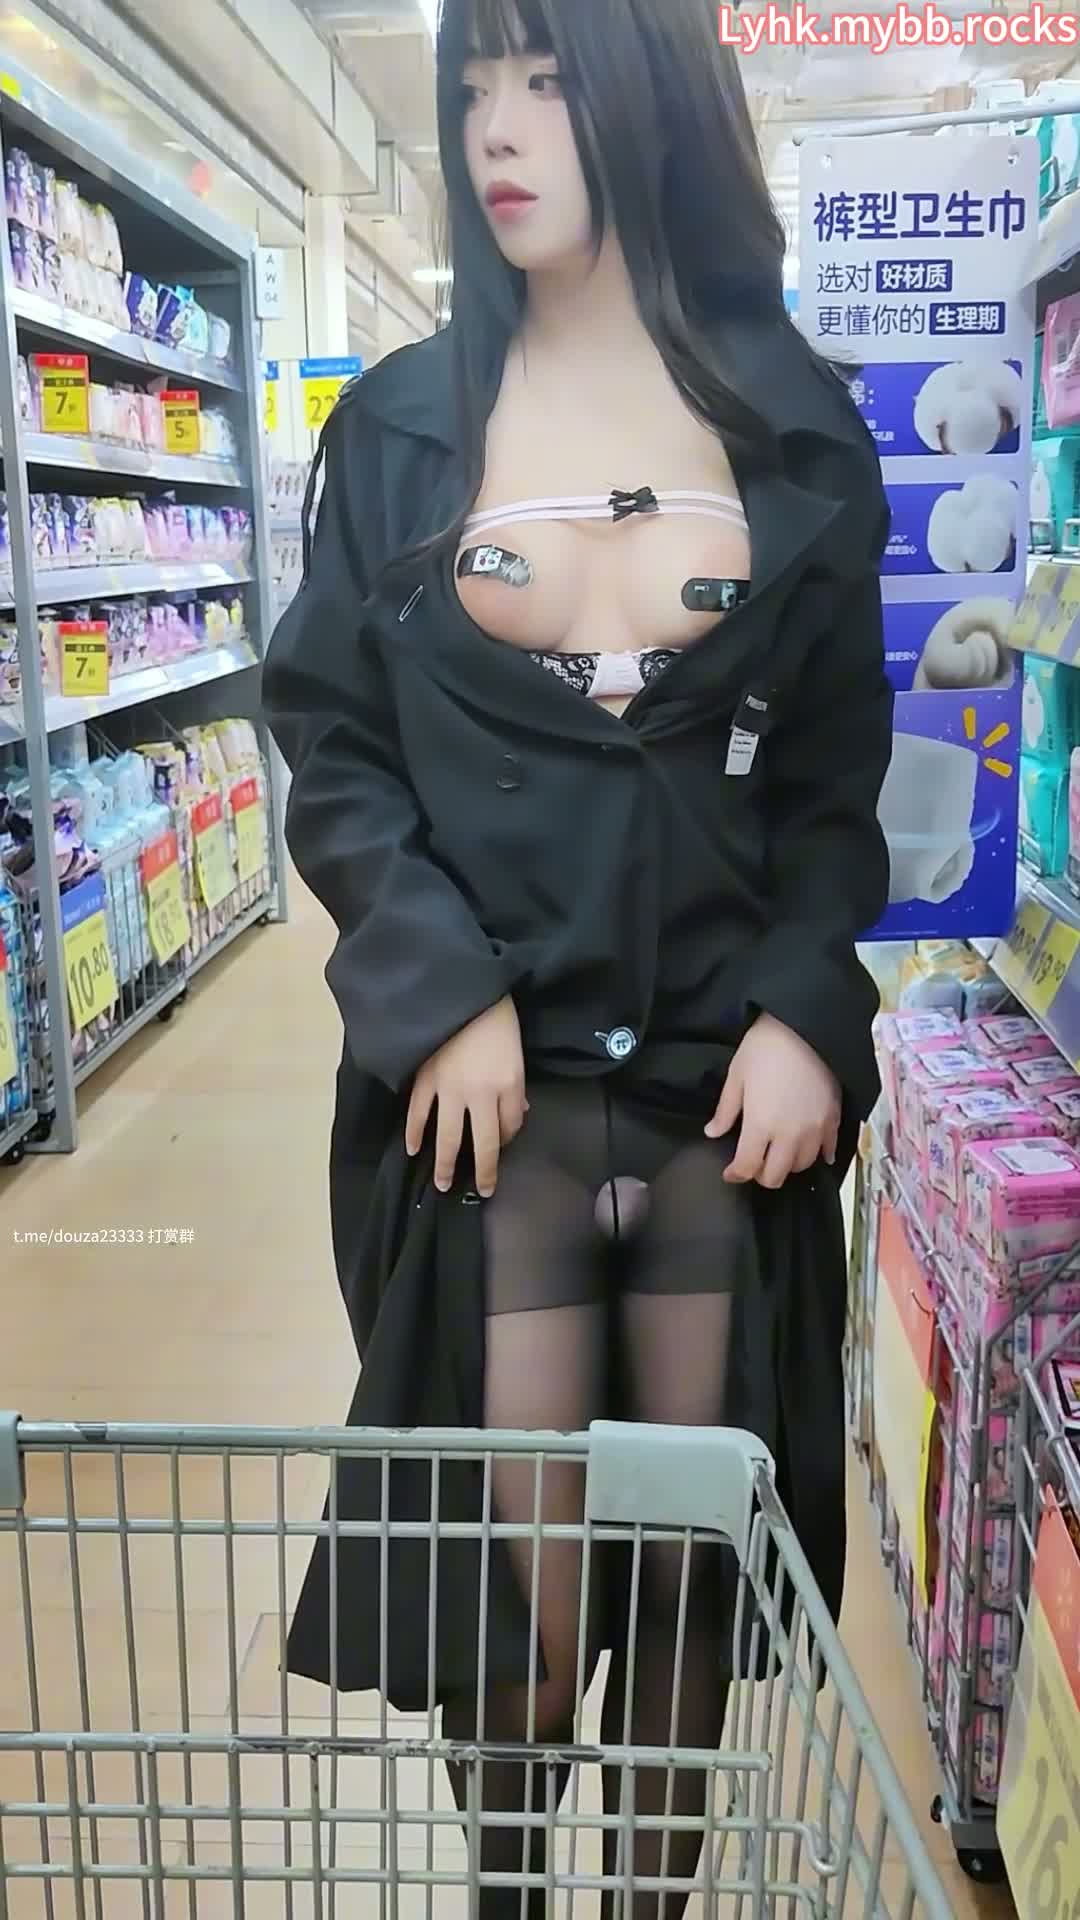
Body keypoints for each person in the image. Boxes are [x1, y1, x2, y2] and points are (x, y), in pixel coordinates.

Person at [262, 0, 893, 1910]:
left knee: (687, 1585)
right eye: (475, 84)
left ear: (651, 102)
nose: (498, 128)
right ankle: (513, 1897)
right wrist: (433, 981)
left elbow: (832, 786)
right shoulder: (404, 426)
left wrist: (810, 1009)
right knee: (513, 1604)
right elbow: (335, 746)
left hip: (721, 1084)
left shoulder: (790, 422)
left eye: (547, 81)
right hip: (490, 1100)